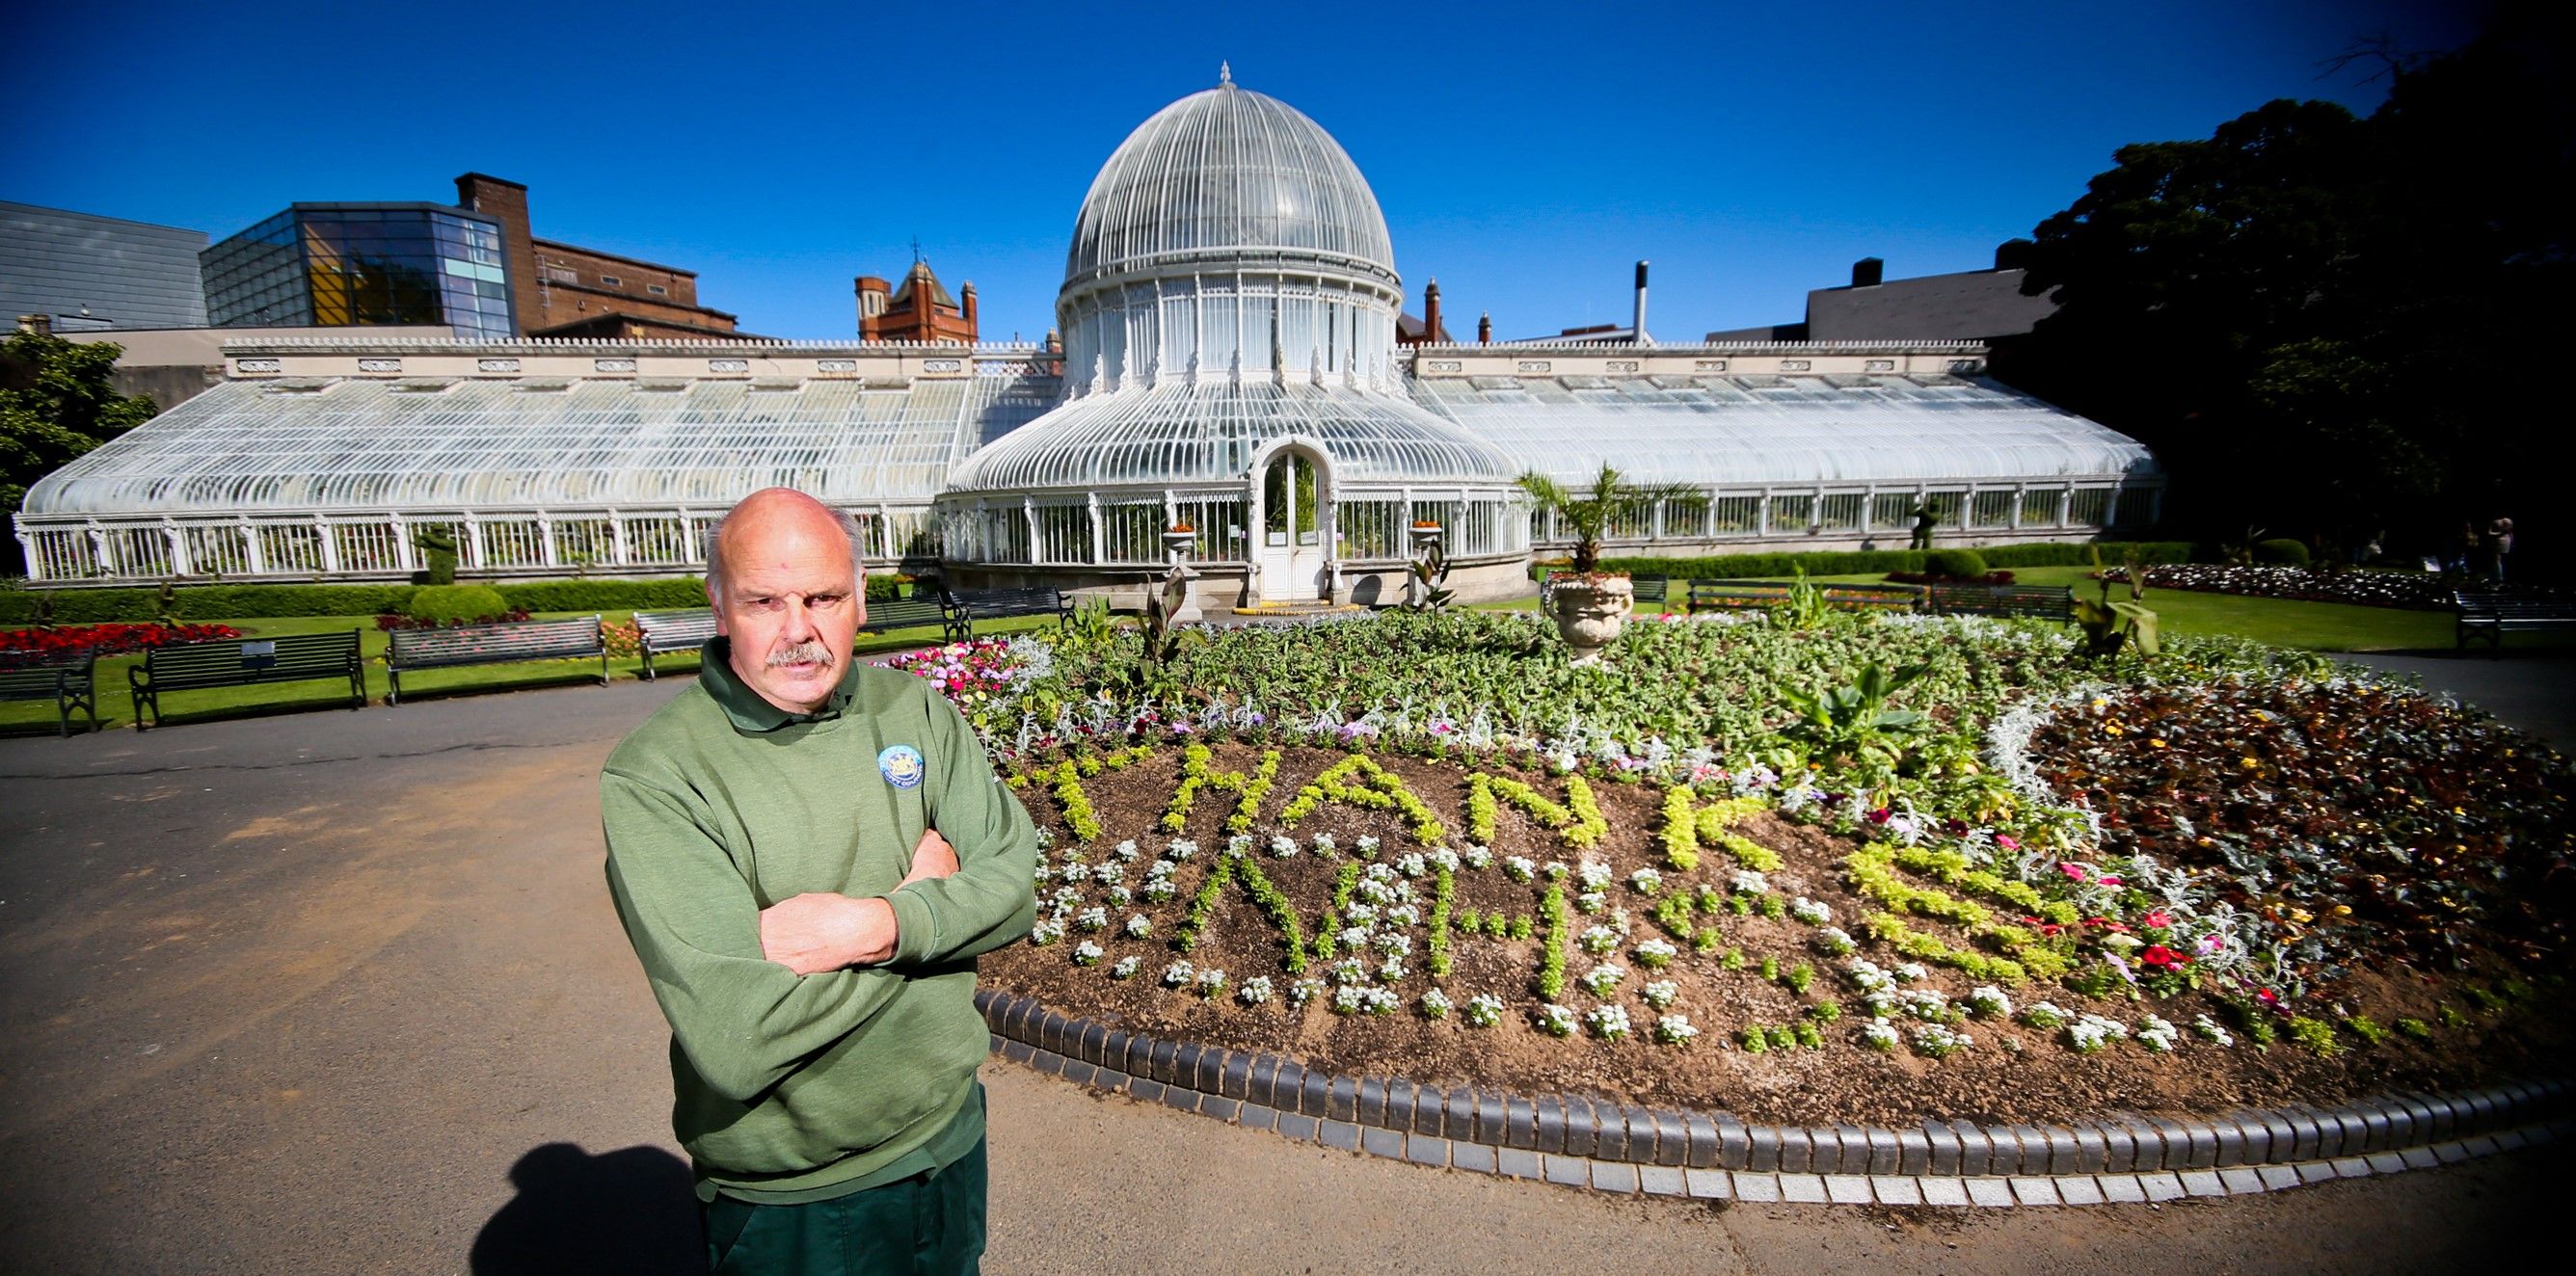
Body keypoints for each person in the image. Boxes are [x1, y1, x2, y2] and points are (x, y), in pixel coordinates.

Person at [601, 488, 1037, 1275]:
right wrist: (934, 922)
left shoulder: (914, 711)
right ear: (720, 606)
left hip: (948, 1136)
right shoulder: (659, 777)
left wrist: (874, 926)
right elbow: (740, 1039)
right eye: (764, 601)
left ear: (861, 598)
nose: (798, 629)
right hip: (795, 1198)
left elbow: (1014, 885)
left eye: (824, 597)